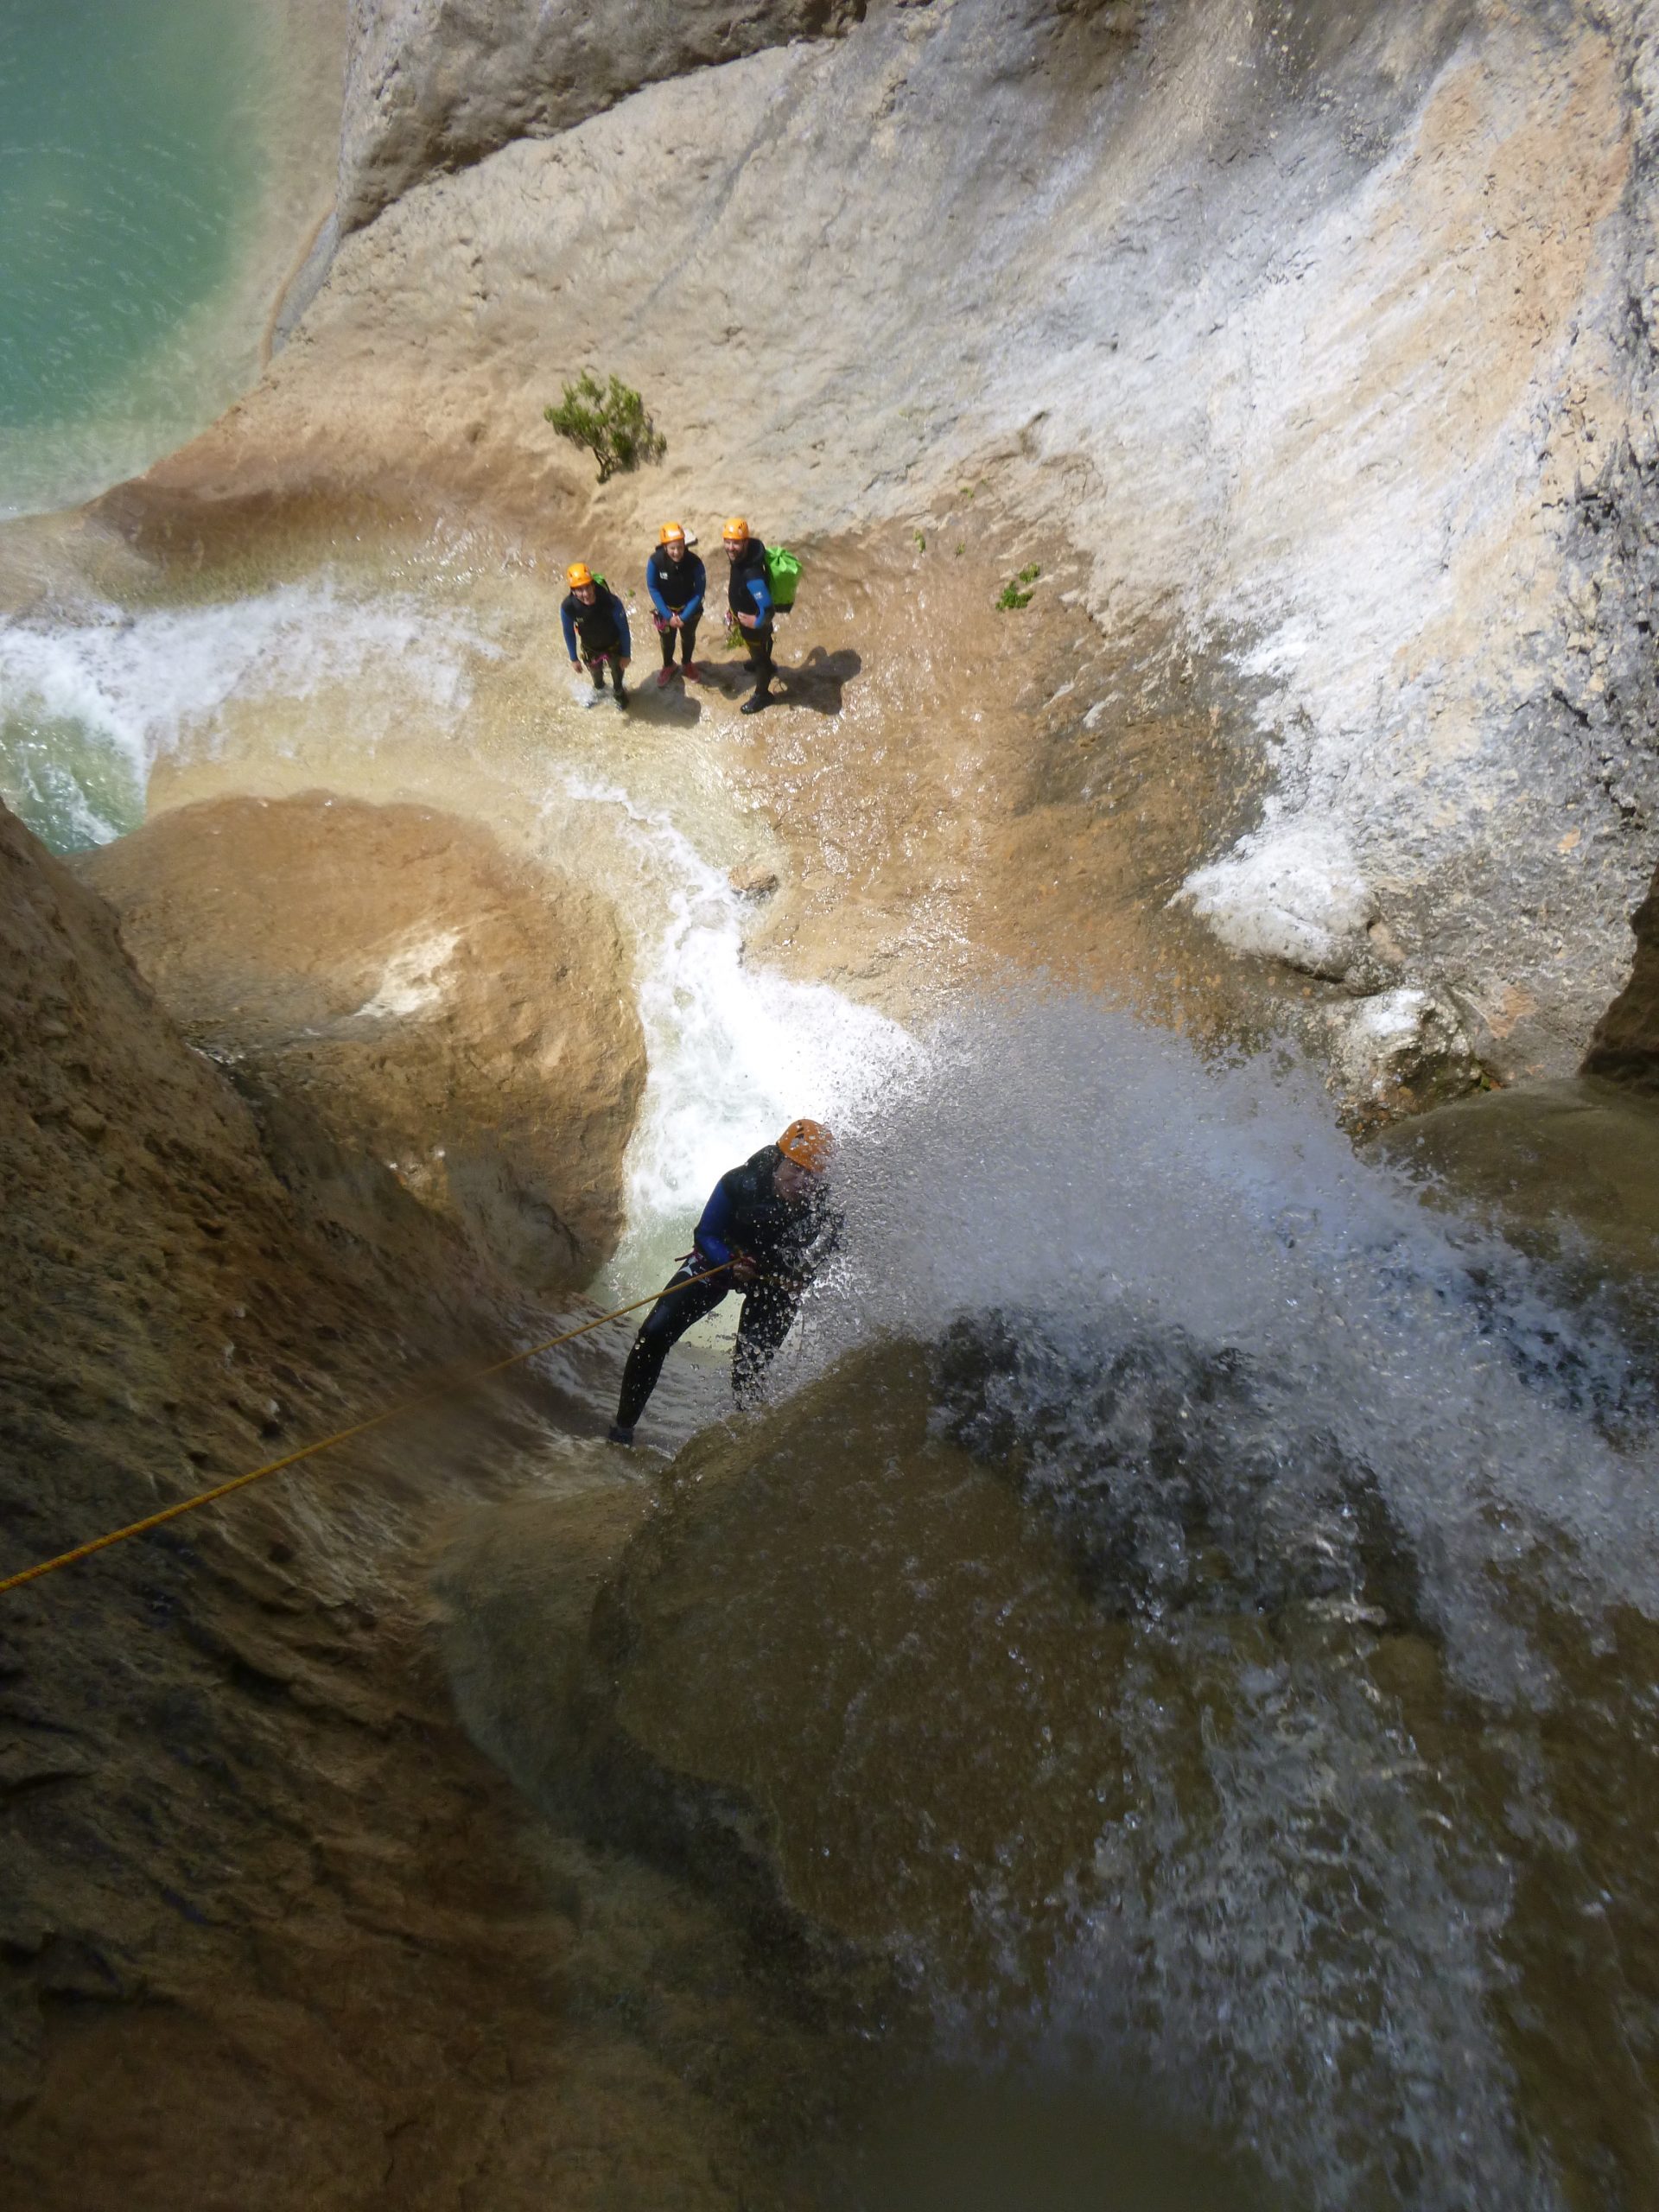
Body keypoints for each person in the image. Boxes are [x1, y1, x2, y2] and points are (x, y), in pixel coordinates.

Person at [608, 1119, 838, 1444]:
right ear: (777, 1160)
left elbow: (827, 1247)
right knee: (652, 1336)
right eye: (794, 1168)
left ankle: (745, 1446)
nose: (801, 1182)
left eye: (811, 1176)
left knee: (750, 1371)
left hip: (775, 1278)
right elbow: (705, 1233)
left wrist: (803, 1276)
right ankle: (622, 1429)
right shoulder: (741, 1183)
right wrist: (730, 1264)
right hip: (720, 1261)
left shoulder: (825, 1207)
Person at [722, 517, 779, 714]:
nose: (731, 547)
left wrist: (756, 622)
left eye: (736, 543)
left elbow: (769, 609)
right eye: (727, 542)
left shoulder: (751, 573)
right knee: (761, 652)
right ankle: (766, 666)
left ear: (746, 542)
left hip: (755, 626)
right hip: (753, 622)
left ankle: (763, 695)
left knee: (760, 657)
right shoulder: (741, 558)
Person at [561, 562, 632, 704]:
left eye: (588, 587)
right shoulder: (568, 607)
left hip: (614, 645)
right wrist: (574, 658)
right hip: (591, 648)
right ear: (572, 591)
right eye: (579, 590)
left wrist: (626, 654)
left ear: (593, 585)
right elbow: (569, 632)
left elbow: (624, 629)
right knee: (597, 679)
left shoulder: (610, 601)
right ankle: (600, 690)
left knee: (617, 675)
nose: (585, 594)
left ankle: (619, 692)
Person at [646, 522, 707, 688]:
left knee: (688, 637)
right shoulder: (655, 562)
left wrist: (684, 616)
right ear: (665, 547)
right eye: (672, 548)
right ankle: (668, 665)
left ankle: (687, 663)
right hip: (666, 611)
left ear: (684, 545)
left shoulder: (694, 563)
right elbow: (653, 588)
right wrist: (667, 615)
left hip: (689, 610)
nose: (677, 552)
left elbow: (699, 591)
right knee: (667, 641)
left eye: (680, 547)